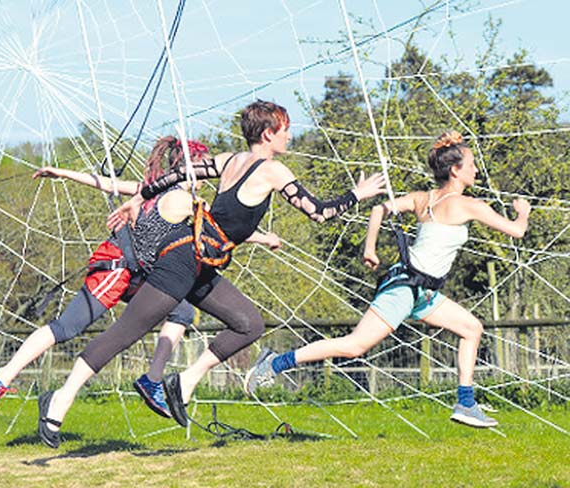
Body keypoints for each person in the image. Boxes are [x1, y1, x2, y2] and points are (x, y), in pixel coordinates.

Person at [35, 99, 386, 447]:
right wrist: (358, 193)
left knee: (249, 324)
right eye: (286, 130)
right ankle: (59, 400)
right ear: (268, 134)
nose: (290, 137)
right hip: (182, 259)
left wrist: (139, 197)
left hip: (204, 263)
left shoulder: (229, 159)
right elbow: (319, 212)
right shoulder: (271, 169)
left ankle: (182, 384)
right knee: (127, 332)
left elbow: (173, 177)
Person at [244, 130, 532, 428]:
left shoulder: (424, 198)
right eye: (471, 164)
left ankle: (466, 403)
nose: (476, 170)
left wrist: (370, 247)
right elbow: (517, 231)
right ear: (456, 170)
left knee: (472, 328)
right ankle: (274, 363)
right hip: (405, 289)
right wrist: (522, 212)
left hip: (424, 293)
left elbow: (379, 209)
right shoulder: (470, 205)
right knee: (354, 346)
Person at [0, 137, 279, 421]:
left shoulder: (148, 189)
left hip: (139, 274)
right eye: (201, 164)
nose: (205, 172)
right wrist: (262, 238)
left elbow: (109, 184)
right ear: (188, 165)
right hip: (117, 269)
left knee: (182, 311)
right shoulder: (182, 199)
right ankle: (1, 376)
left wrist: (63, 172)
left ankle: (152, 380)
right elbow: (218, 229)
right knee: (68, 326)